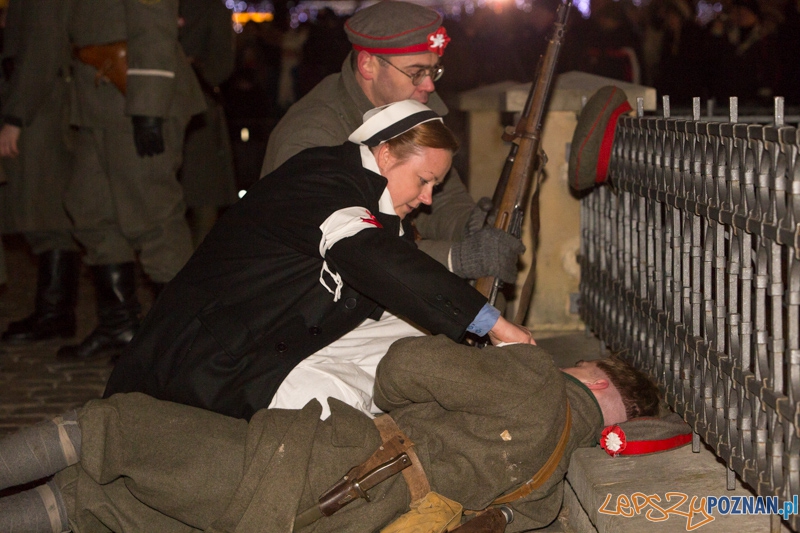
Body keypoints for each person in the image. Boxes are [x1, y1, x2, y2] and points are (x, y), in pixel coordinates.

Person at [103, 100, 533, 421]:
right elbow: (373, 256)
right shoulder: (323, 178)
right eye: (424, 181)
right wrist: (491, 322)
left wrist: (473, 338)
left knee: (429, 341)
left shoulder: (371, 200)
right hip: (204, 363)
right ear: (385, 154)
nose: (427, 199)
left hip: (269, 336)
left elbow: (400, 286)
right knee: (332, 408)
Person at [0, 335, 661, 533]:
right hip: (350, 522)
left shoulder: (536, 378)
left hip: (320, 465)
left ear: (594, 376)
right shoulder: (548, 492)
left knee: (118, 427)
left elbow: (403, 366)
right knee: (111, 508)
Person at [261, 0, 524, 284]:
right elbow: (352, 250)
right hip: (307, 289)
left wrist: (471, 226)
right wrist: (455, 257)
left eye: (433, 71)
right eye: (416, 72)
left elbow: (440, 196)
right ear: (368, 65)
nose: (429, 86)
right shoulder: (314, 134)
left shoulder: (410, 106)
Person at [55, 0, 206, 360]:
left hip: (135, 94)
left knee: (152, 214)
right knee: (90, 208)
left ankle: (178, 340)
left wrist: (148, 108)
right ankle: (119, 325)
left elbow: (153, 22)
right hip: (99, 97)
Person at [0, 0, 81, 343]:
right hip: (41, 107)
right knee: (43, 212)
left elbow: (40, 53)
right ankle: (53, 311)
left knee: (46, 214)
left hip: (41, 113)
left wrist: (15, 118)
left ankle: (55, 313)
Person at [178, 0, 239, 247]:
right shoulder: (212, 8)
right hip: (198, 109)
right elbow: (220, 68)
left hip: (154, 102)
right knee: (204, 196)